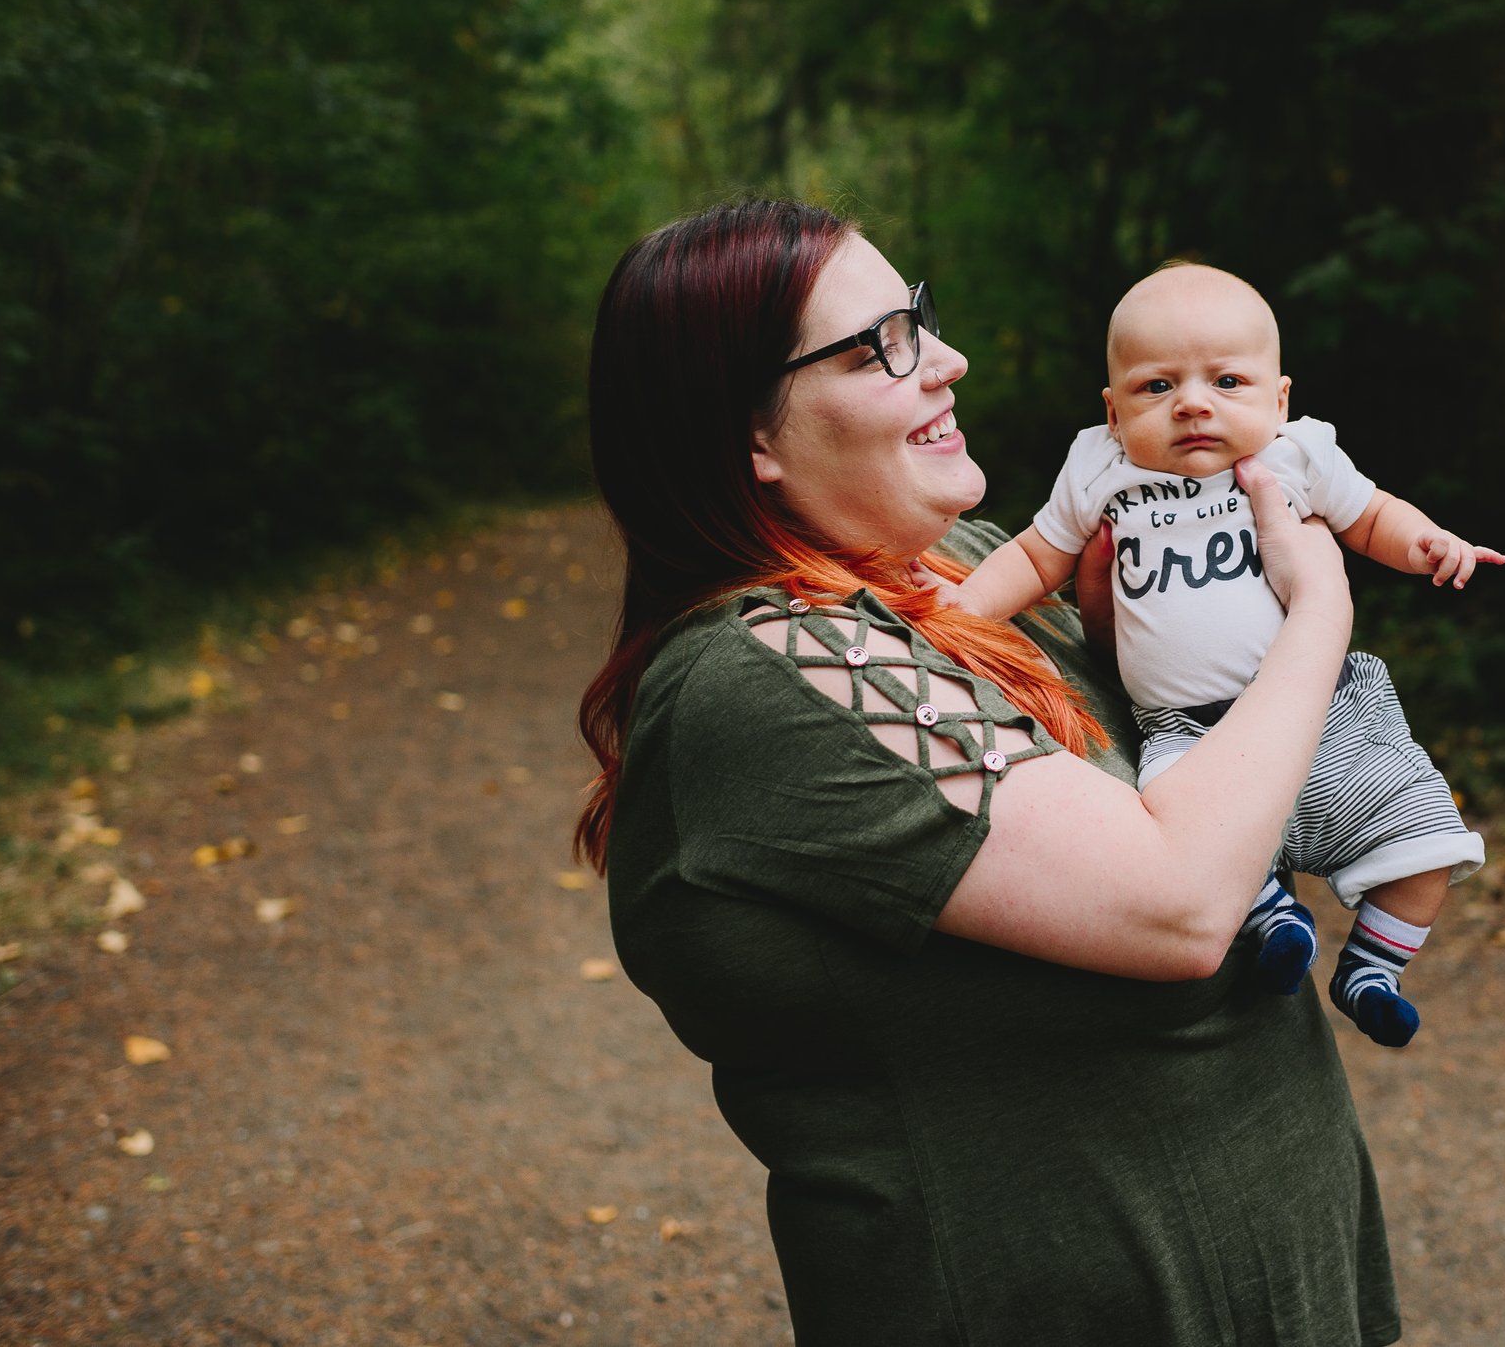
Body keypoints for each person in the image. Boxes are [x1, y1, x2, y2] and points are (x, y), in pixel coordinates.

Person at [575, 200, 1400, 1347]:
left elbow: (1149, 776)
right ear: (749, 438)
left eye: (920, 317)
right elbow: (1176, 902)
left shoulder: (946, 567)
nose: (947, 360)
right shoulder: (776, 661)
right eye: (879, 348)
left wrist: (1126, 648)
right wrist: (1318, 611)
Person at [950, 264, 1498, 1047]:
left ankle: (1372, 965)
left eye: (1228, 380)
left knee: (1427, 841)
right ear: (1111, 412)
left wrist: (1430, 545)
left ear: (1278, 399)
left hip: (1329, 716)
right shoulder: (1103, 471)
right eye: (1156, 386)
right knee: (1184, 833)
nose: (1194, 402)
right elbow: (1038, 558)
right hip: (1186, 731)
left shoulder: (1296, 456)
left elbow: (1372, 516)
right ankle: (1270, 916)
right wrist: (959, 612)